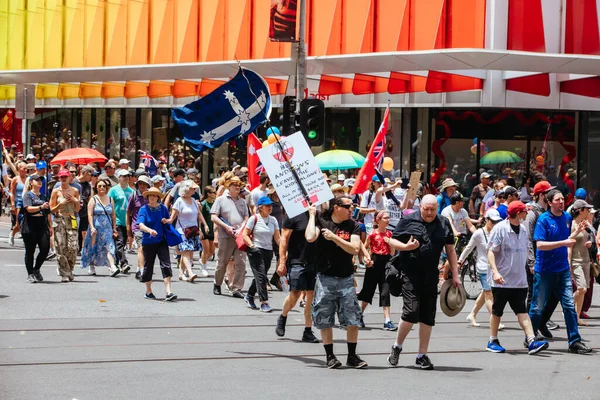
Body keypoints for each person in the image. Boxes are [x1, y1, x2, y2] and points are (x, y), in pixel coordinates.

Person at [386, 194, 460, 370]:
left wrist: (455, 274)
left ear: (437, 208)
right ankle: (397, 346)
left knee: (428, 316)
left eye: (432, 209)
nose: (429, 212)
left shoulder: (443, 222)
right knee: (411, 312)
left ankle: (422, 355)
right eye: (426, 209)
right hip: (410, 273)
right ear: (421, 207)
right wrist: (406, 247)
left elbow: (450, 249)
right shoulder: (408, 220)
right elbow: (392, 239)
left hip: (431, 275)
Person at [305, 196, 367, 369]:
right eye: (348, 207)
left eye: (353, 206)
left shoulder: (352, 225)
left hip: (346, 278)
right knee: (324, 317)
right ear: (336, 207)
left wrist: (334, 238)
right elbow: (310, 237)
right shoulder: (322, 221)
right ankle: (330, 356)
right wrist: (311, 215)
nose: (351, 210)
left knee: (352, 318)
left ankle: (352, 356)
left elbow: (354, 249)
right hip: (325, 278)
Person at [529, 189, 592, 354]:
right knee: (537, 307)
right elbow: (540, 245)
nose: (562, 202)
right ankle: (531, 336)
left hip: (562, 270)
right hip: (544, 271)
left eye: (563, 199)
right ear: (549, 202)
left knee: (570, 306)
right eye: (558, 200)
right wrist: (563, 243)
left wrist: (577, 232)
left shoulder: (567, 217)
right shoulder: (543, 220)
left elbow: (567, 236)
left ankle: (574, 341)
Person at [485, 201, 549, 354]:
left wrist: (532, 265)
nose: (527, 214)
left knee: (522, 311)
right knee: (497, 312)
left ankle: (531, 339)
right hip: (502, 281)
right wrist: (495, 271)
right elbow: (491, 252)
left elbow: (527, 249)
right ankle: (492, 340)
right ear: (519, 213)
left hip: (519, 281)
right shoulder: (500, 229)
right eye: (525, 211)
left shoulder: (523, 229)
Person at [275, 210, 320, 343]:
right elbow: (284, 239)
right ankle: (283, 316)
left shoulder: (318, 216)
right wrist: (282, 262)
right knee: (295, 295)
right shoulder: (293, 216)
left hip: (313, 262)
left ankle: (308, 331)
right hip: (296, 261)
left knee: (311, 297)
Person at [525, 181, 560, 336]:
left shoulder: (550, 213)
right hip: (536, 261)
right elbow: (527, 239)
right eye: (548, 192)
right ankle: (530, 329)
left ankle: (542, 322)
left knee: (554, 294)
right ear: (541, 195)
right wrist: (531, 262)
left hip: (551, 261)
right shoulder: (532, 213)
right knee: (534, 296)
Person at [459, 209, 504, 328]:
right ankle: (495, 320)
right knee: (489, 293)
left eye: (497, 222)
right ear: (486, 220)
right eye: (493, 221)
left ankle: (472, 314)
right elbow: (469, 248)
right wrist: (460, 261)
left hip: (495, 268)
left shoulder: (498, 232)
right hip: (483, 267)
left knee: (485, 291)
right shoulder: (479, 233)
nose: (495, 224)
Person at [210, 175, 249, 298]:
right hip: (225, 235)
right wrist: (226, 227)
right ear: (229, 186)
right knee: (222, 262)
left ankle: (236, 288)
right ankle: (217, 283)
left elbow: (246, 217)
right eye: (235, 185)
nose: (238, 187)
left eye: (239, 185)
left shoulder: (242, 202)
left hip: (240, 236)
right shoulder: (221, 200)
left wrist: (242, 228)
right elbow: (214, 216)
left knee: (241, 263)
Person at [358, 211, 396, 330]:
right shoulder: (372, 234)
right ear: (378, 220)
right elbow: (364, 247)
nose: (388, 220)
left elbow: (392, 253)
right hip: (374, 262)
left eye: (388, 218)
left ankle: (387, 320)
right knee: (368, 290)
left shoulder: (390, 234)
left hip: (386, 263)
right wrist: (367, 259)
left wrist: (390, 243)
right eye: (385, 218)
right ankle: (359, 315)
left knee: (385, 291)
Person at [164, 180, 208, 282]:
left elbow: (199, 214)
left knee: (187, 251)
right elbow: (172, 217)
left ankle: (181, 273)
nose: (195, 190)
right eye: (193, 188)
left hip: (193, 230)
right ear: (186, 189)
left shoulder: (193, 201)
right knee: (185, 252)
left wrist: (204, 225)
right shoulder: (179, 201)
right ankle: (190, 272)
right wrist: (167, 221)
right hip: (182, 230)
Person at [242, 196, 281, 312]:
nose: (270, 208)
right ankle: (264, 302)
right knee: (261, 276)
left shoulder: (273, 220)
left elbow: (278, 237)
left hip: (268, 251)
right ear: (260, 207)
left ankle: (249, 295)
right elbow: (245, 235)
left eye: (271, 206)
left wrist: (284, 250)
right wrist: (252, 246)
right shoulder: (254, 219)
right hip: (256, 250)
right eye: (267, 206)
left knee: (261, 275)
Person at [137, 187, 177, 301]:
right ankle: (148, 291)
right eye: (150, 195)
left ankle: (169, 292)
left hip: (161, 240)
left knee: (166, 264)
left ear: (158, 197)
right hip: (148, 241)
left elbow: (169, 220)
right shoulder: (143, 209)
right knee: (148, 266)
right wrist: (150, 231)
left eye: (154, 195)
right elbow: (140, 224)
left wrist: (166, 221)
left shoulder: (163, 208)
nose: (152, 197)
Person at [81, 178, 119, 277]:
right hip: (96, 228)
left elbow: (113, 215)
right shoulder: (93, 199)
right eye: (100, 186)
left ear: (106, 188)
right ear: (96, 188)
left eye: (104, 186)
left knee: (109, 247)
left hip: (107, 228)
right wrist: (92, 227)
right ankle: (92, 266)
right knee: (93, 247)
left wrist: (114, 228)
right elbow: (90, 215)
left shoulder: (110, 199)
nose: (102, 188)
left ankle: (112, 266)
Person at [49, 169, 81, 282]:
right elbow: (51, 210)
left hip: (71, 218)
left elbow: (77, 209)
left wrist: (75, 200)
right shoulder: (56, 192)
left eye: (65, 177)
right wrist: (60, 204)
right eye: (61, 177)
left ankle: (69, 269)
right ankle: (64, 272)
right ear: (59, 178)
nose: (63, 179)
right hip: (59, 219)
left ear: (69, 177)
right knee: (60, 247)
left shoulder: (75, 190)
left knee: (72, 247)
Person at [21, 174, 52, 283]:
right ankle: (30, 273)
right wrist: (40, 207)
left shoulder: (44, 196)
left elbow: (48, 212)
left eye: (41, 180)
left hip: (42, 225)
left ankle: (36, 268)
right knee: (30, 250)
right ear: (31, 182)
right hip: (30, 225)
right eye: (37, 180)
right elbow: (28, 209)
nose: (39, 182)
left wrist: (50, 226)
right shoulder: (28, 195)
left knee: (45, 248)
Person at [568, 200, 594, 326]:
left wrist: (590, 243)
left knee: (583, 290)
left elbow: (591, 237)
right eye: (586, 209)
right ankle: (567, 305)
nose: (588, 211)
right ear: (580, 210)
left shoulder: (586, 224)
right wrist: (568, 262)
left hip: (586, 260)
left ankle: (576, 317)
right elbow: (568, 243)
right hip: (576, 261)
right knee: (582, 288)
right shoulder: (572, 224)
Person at [108, 169, 134, 274]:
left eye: (127, 176)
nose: (126, 178)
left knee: (122, 243)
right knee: (119, 242)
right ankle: (124, 263)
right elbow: (109, 204)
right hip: (117, 220)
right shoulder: (113, 190)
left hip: (127, 221)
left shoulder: (132, 191)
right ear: (119, 178)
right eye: (123, 176)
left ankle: (116, 263)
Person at [126, 175, 151, 280]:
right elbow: (128, 211)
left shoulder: (151, 195)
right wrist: (128, 226)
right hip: (137, 226)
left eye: (144, 183)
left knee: (146, 250)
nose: (142, 185)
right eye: (140, 183)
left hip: (150, 227)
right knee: (141, 248)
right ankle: (142, 272)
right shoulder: (134, 195)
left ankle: (138, 268)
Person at [200, 186, 217, 277]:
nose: (215, 194)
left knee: (212, 250)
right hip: (204, 229)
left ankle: (203, 260)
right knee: (206, 249)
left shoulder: (215, 203)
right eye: (213, 192)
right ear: (208, 194)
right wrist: (200, 229)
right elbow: (199, 217)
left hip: (213, 229)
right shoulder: (203, 204)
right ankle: (204, 267)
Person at [8, 161, 27, 246]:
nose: (26, 170)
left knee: (27, 221)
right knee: (19, 223)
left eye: (26, 168)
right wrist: (12, 204)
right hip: (18, 202)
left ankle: (26, 238)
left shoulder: (28, 179)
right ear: (19, 169)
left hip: (26, 202)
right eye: (24, 168)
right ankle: (12, 235)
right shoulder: (15, 179)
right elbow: (12, 192)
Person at [76, 165, 94, 252]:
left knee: (84, 230)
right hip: (76, 210)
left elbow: (90, 197)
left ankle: (83, 248)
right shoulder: (75, 183)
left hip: (85, 211)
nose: (92, 177)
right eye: (91, 175)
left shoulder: (88, 185)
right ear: (86, 173)